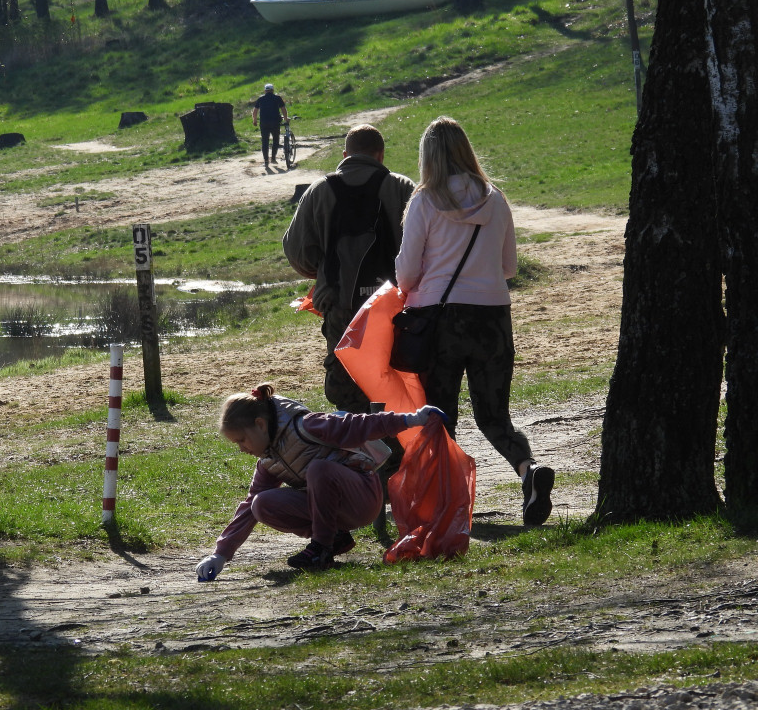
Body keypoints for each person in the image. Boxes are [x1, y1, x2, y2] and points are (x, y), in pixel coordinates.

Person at [394, 116, 555, 526]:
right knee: (494, 414)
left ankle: (444, 499)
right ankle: (527, 470)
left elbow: (407, 273)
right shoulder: (495, 198)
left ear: (427, 156)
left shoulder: (424, 201)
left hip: (441, 320)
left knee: (440, 413)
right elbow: (508, 267)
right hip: (493, 316)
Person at [194, 383, 443, 579]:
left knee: (319, 469)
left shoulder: (307, 426)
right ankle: (334, 539)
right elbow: (248, 508)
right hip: (332, 510)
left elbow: (360, 424)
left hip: (363, 499)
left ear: (260, 424)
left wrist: (411, 419)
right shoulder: (267, 461)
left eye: (241, 440)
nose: (241, 449)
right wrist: (220, 554)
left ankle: (320, 550)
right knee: (260, 503)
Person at [283, 124, 417, 413]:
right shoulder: (402, 187)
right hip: (394, 306)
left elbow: (296, 252)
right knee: (393, 377)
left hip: (340, 304)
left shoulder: (319, 191)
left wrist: (321, 275)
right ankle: (394, 450)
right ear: (380, 155)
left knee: (347, 382)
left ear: (345, 154)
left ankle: (357, 450)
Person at [252, 83, 288, 167]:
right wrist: (286, 119)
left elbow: (255, 111)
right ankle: (273, 158)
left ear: (265, 91)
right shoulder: (277, 98)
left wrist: (254, 120)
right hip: (275, 122)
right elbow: (283, 109)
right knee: (275, 140)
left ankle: (266, 161)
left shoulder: (261, 99)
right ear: (272, 90)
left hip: (264, 123)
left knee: (265, 142)